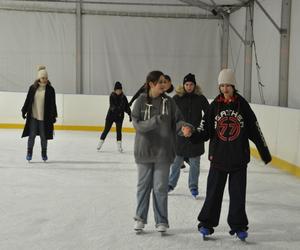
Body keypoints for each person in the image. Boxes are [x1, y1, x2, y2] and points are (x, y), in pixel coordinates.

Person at [182, 69, 272, 240]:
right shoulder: (214, 106)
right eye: (221, 85)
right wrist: (192, 135)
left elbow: (254, 129)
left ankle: (238, 226)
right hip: (218, 159)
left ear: (233, 85)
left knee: (238, 195)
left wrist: (264, 151)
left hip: (239, 159)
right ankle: (207, 224)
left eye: (228, 85)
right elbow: (205, 130)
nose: (224, 88)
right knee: (213, 194)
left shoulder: (242, 105)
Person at [132, 70, 184, 234]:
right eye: (160, 82)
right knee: (143, 186)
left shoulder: (169, 102)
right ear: (151, 84)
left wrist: (184, 128)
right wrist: (154, 121)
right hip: (144, 151)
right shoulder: (140, 102)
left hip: (164, 151)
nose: (164, 84)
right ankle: (140, 218)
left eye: (165, 81)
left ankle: (162, 220)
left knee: (160, 187)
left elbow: (177, 121)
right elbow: (137, 125)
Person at [168, 73, 209, 198]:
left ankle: (193, 187)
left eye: (191, 84)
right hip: (180, 136)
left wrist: (202, 129)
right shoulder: (176, 98)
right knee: (176, 163)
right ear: (183, 85)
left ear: (195, 85)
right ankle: (170, 184)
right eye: (187, 84)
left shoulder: (200, 98)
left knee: (195, 164)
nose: (189, 86)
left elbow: (209, 114)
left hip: (195, 137)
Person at [21, 65, 57, 162]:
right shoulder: (32, 88)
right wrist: (24, 110)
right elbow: (28, 100)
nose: (44, 80)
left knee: (44, 136)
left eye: (46, 78)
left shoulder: (50, 90)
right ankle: (29, 152)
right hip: (33, 116)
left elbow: (53, 104)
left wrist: (54, 115)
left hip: (45, 118)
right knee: (31, 135)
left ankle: (44, 153)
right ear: (38, 78)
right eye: (42, 78)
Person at [97, 81, 131, 152]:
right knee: (106, 130)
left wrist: (130, 114)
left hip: (120, 117)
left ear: (121, 90)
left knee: (119, 131)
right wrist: (119, 111)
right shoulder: (112, 96)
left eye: (120, 90)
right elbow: (112, 107)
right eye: (117, 90)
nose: (118, 91)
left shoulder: (123, 97)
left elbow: (127, 107)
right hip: (111, 116)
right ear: (115, 90)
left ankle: (119, 147)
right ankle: (100, 144)